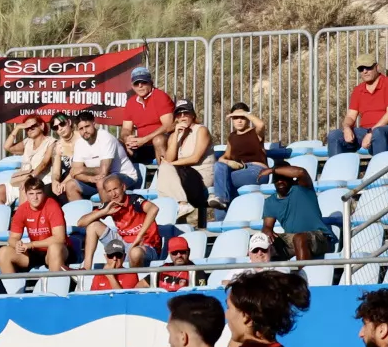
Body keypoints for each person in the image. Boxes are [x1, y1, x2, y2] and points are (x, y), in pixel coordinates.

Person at [79, 171, 160, 267]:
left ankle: (133, 279)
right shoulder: (109, 205)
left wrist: (139, 237)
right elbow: (80, 223)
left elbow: (154, 209)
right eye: (109, 191)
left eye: (115, 189)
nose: (113, 194)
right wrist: (104, 212)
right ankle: (86, 269)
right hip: (123, 244)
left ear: (124, 187)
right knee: (92, 226)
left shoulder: (135, 200)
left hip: (145, 245)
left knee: (135, 252)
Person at [0, 174, 71, 278]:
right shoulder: (22, 209)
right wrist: (17, 245)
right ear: (26, 195)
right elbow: (12, 238)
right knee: (3, 252)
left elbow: (59, 238)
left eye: (38, 193)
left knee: (54, 248)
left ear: (44, 193)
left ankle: (54, 290)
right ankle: (11, 291)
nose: (35, 197)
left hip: (58, 250)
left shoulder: (52, 206)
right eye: (31, 194)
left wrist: (31, 245)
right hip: (36, 251)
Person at [329, 60, 388, 157]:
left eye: (368, 67)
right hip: (366, 131)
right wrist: (347, 128)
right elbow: (351, 116)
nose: (365, 71)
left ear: (377, 67)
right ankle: (337, 171)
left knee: (378, 132)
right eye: (361, 69)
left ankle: (380, 170)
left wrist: (371, 132)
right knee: (334, 135)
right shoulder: (358, 90)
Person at [156, 98, 214, 227]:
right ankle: (179, 211)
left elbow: (195, 158)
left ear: (192, 115)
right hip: (184, 177)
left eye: (186, 113)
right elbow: (169, 159)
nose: (182, 117)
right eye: (179, 114)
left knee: (166, 169)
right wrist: (176, 134)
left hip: (201, 176)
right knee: (164, 171)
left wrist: (171, 164)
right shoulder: (175, 135)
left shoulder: (201, 130)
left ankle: (179, 206)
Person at [262, 159, 333, 260]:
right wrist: (267, 231)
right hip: (292, 238)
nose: (280, 181)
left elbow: (301, 172)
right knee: (260, 244)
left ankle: (303, 274)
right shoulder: (270, 201)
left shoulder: (302, 188)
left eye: (284, 178)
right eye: (277, 179)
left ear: (291, 179)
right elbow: (267, 226)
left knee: (299, 238)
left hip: (318, 237)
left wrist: (272, 170)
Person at [115, 64, 178, 174]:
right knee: (117, 143)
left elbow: (168, 125)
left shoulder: (160, 97)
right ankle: (126, 178)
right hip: (141, 145)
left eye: (144, 82)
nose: (140, 86)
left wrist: (144, 139)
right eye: (136, 83)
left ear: (151, 82)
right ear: (132, 86)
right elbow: (125, 129)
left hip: (162, 143)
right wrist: (126, 138)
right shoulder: (131, 102)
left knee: (158, 140)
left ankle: (165, 175)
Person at [0, 114, 62, 205]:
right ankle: (0, 218)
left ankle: (23, 218)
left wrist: (30, 177)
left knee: (26, 189)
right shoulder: (27, 142)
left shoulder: (51, 142)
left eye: (32, 126)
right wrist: (17, 128)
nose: (29, 129)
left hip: (41, 181)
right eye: (26, 128)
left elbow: (44, 163)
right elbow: (7, 147)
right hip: (23, 179)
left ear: (41, 125)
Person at [61, 108, 130, 201]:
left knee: (102, 182)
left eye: (87, 126)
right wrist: (90, 179)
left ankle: (108, 214)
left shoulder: (106, 138)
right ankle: (84, 215)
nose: (84, 131)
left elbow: (104, 171)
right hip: (98, 179)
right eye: (81, 128)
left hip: (124, 176)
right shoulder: (79, 143)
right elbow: (74, 173)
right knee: (70, 185)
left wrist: (82, 169)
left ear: (94, 124)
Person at [211, 103, 271, 209]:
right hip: (239, 170)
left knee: (222, 183)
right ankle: (221, 218)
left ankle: (221, 200)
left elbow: (261, 125)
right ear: (232, 119)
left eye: (242, 117)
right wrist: (228, 162)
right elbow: (223, 157)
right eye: (235, 118)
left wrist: (246, 113)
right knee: (219, 168)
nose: (239, 121)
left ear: (247, 118)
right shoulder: (232, 137)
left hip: (257, 171)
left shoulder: (255, 132)